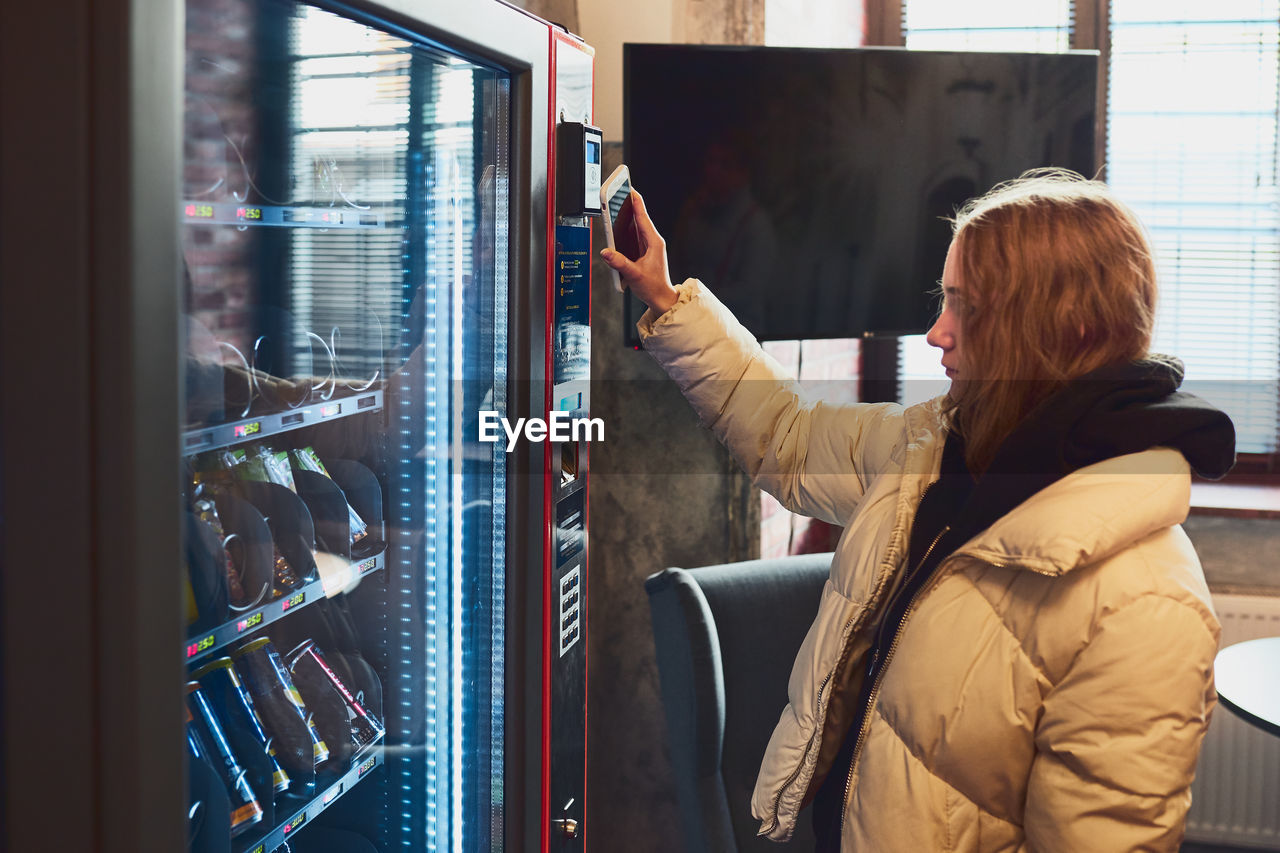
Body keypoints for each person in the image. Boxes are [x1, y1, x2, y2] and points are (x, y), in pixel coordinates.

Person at [601, 169, 1236, 852]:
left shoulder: (1146, 601)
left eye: (966, 306)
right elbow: (789, 434)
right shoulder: (944, 443)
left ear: (1065, 328)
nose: (936, 332)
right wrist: (668, 300)